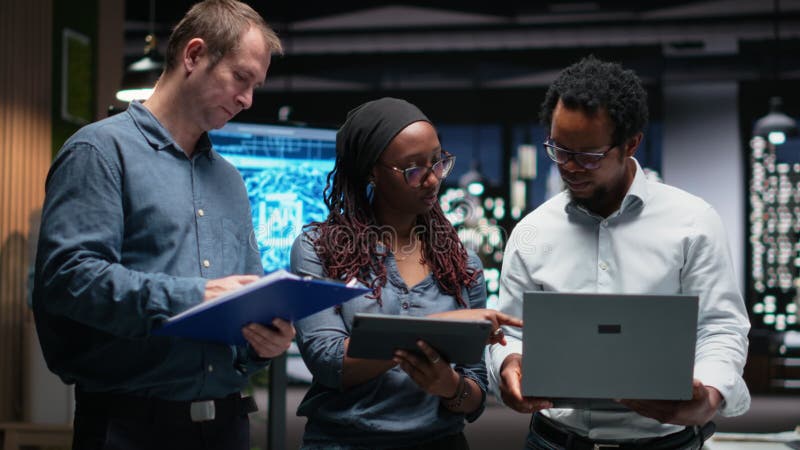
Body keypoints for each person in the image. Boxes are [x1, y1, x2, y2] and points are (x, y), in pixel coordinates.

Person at [32, 1, 294, 449]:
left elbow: (245, 295)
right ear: (193, 56)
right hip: (129, 427)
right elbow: (67, 280)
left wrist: (262, 343)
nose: (247, 99)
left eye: (256, 86)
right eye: (241, 78)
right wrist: (195, 297)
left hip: (227, 426)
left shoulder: (230, 181)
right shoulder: (99, 152)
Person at [488, 56, 751, 449]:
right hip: (554, 441)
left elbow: (720, 327)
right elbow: (509, 331)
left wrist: (709, 393)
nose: (570, 167)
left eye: (589, 155)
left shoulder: (693, 222)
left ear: (631, 143)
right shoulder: (531, 232)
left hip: (666, 442)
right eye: (559, 149)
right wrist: (508, 366)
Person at [290, 97, 521, 449]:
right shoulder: (320, 249)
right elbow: (329, 362)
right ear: (372, 171)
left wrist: (451, 387)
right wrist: (442, 329)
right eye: (413, 169)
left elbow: (474, 397)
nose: (432, 180)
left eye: (438, 162)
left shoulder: (461, 264)